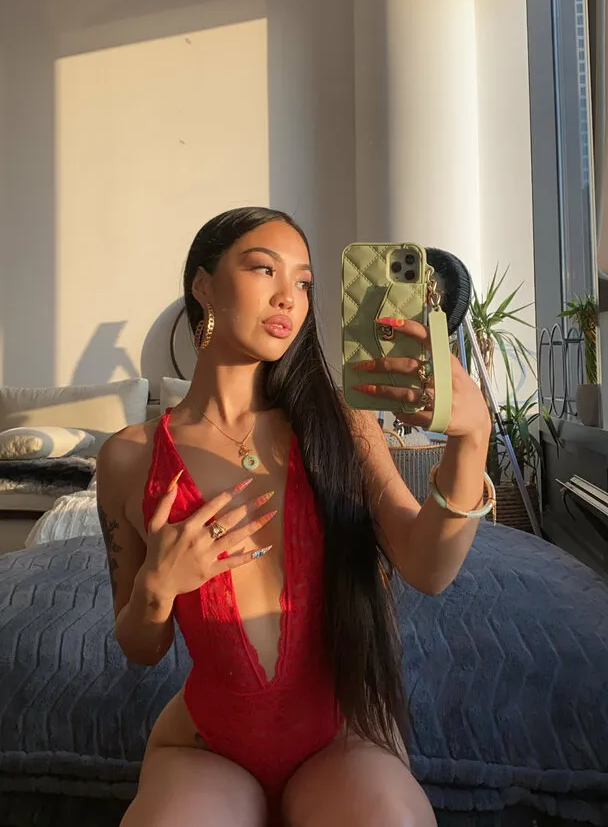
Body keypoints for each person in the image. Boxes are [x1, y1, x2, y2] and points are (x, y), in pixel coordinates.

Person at [97, 206, 492, 827]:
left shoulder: (339, 425)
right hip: (206, 748)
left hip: (340, 742)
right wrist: (157, 587)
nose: (289, 296)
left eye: (304, 282)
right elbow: (140, 647)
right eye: (264, 269)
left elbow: (428, 566)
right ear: (203, 286)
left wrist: (472, 440)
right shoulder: (129, 457)